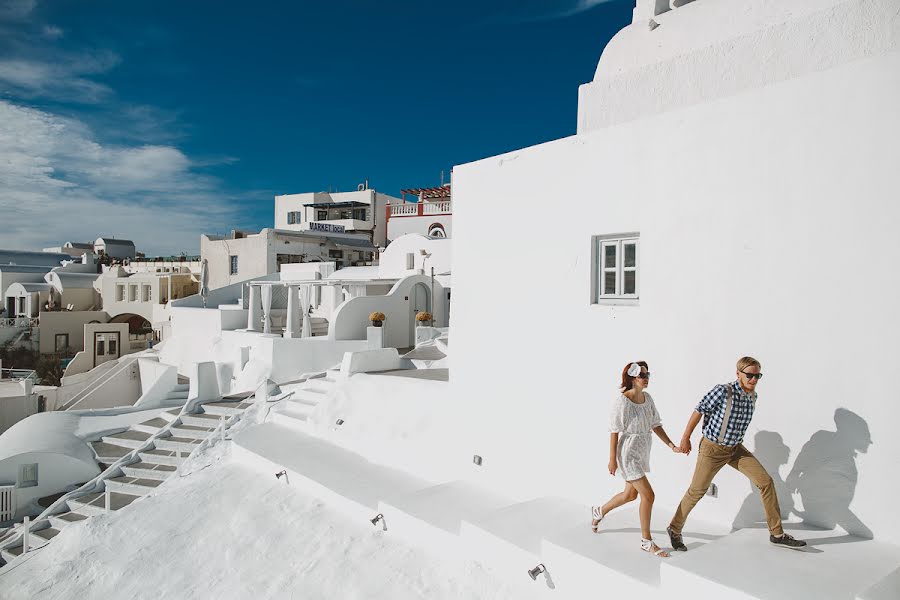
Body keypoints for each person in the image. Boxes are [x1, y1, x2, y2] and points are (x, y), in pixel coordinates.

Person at [667, 357, 807, 550]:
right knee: (697, 490)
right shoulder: (723, 391)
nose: (753, 379)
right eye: (749, 375)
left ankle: (777, 534)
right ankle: (674, 528)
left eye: (757, 375)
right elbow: (699, 409)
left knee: (766, 482)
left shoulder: (753, 396)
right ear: (738, 373)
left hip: (735, 449)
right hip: (712, 448)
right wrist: (685, 437)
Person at [592, 361, 683, 558]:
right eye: (642, 375)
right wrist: (612, 459)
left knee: (630, 495)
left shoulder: (648, 399)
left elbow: (655, 425)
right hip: (627, 453)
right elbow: (614, 430)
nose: (646, 379)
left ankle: (599, 511)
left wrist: (672, 445)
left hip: (642, 451)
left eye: (648, 375)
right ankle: (646, 541)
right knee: (648, 496)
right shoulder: (622, 401)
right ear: (633, 377)